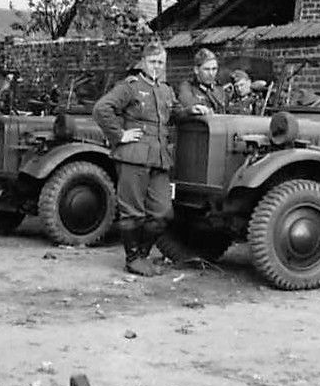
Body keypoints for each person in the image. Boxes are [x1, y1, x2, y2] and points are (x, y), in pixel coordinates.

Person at [93, 42, 211, 276]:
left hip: (159, 158)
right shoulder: (131, 87)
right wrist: (119, 135)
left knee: (163, 213)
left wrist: (191, 111)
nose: (157, 67)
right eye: (153, 62)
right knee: (133, 212)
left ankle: (143, 254)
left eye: (161, 63)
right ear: (144, 62)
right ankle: (133, 259)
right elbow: (101, 108)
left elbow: (174, 113)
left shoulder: (165, 90)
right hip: (133, 156)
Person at [177, 48, 228, 114]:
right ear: (196, 70)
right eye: (206, 69)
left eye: (214, 69)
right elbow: (188, 106)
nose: (211, 73)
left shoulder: (219, 90)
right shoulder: (187, 88)